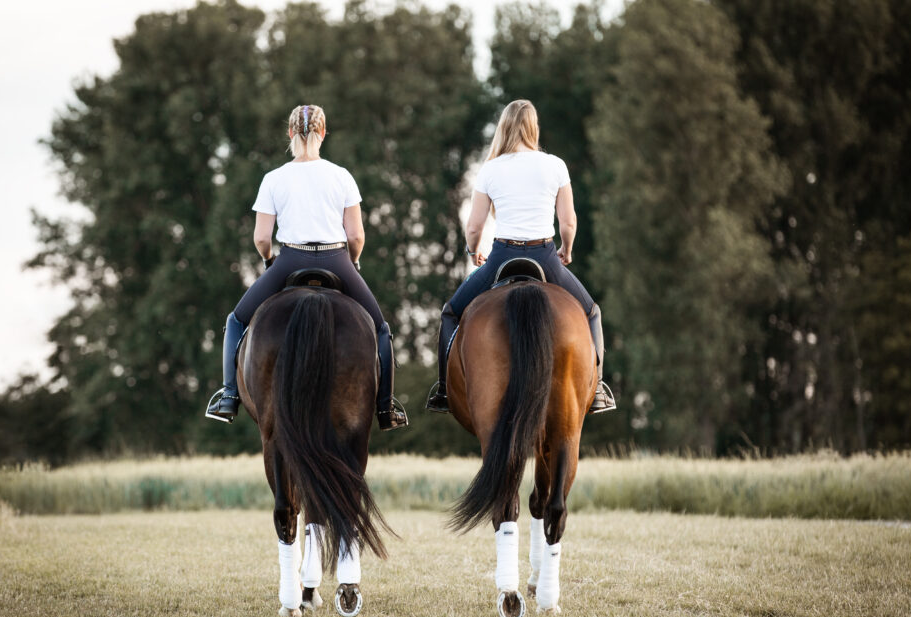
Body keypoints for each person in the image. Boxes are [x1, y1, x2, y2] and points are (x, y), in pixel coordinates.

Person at [206, 104, 408, 431]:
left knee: (236, 320)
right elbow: (356, 234)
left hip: (289, 260)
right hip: (337, 260)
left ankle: (229, 396)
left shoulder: (274, 179)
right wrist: (353, 261)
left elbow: (261, 238)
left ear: (289, 133)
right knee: (380, 328)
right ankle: (386, 408)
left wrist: (270, 261)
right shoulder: (341, 175)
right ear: (324, 133)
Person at [425, 99, 616, 415]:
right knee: (592, 312)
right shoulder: (555, 165)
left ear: (504, 127)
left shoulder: (491, 168)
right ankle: (596, 390)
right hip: (546, 255)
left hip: (501, 256)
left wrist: (474, 252)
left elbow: (474, 227)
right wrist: (566, 250)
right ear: (533, 127)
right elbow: (568, 222)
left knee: (450, 312)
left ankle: (445, 391)